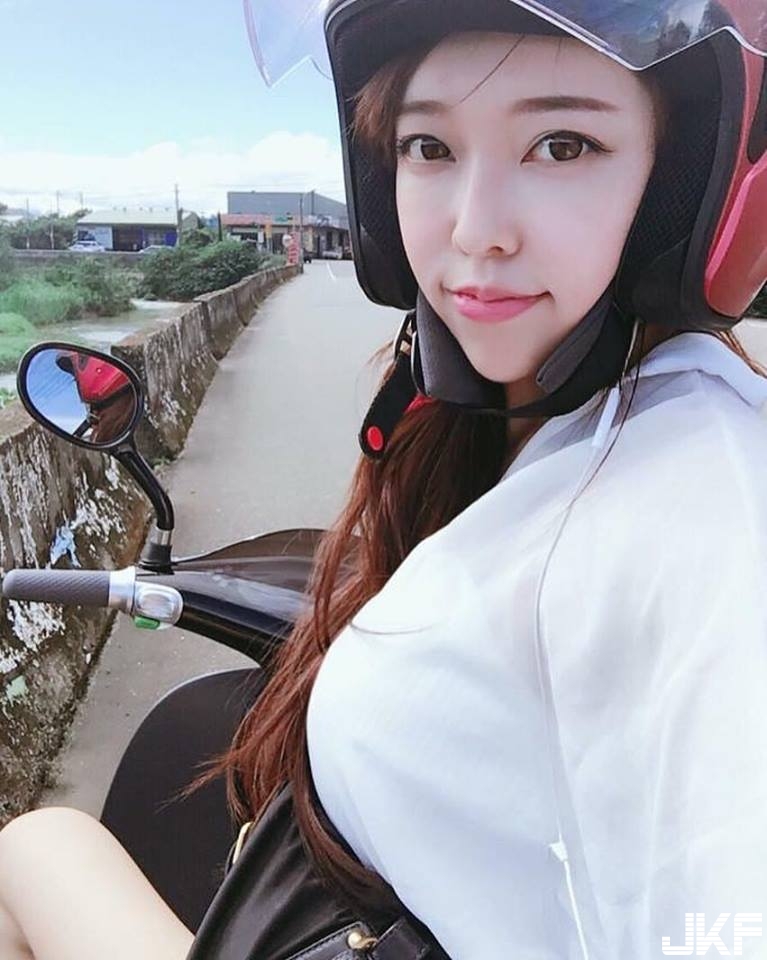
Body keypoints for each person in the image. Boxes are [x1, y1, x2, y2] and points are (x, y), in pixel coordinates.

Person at [2, 1, 767, 958]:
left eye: (562, 146)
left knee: (34, 846)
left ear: (680, 184)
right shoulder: (505, 418)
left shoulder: (704, 508)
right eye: (427, 148)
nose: (475, 230)